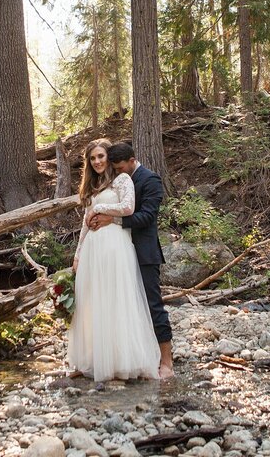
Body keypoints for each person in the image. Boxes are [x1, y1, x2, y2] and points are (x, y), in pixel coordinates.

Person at [66, 138, 160, 381]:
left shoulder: (122, 180)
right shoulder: (93, 186)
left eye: (101, 156)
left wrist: (101, 211)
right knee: (93, 302)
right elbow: (85, 224)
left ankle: (122, 361)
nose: (97, 161)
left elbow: (128, 208)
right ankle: (93, 360)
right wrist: (77, 255)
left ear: (109, 158)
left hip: (116, 247)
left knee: (116, 300)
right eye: (92, 158)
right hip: (93, 250)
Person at [88, 141, 175, 380]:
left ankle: (166, 361)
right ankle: (132, 357)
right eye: (114, 168)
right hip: (118, 251)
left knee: (152, 303)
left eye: (120, 167)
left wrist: (112, 220)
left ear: (132, 160)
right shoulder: (117, 178)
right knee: (123, 305)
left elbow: (147, 216)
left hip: (144, 252)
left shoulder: (151, 180)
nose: (117, 172)